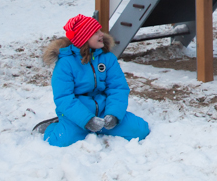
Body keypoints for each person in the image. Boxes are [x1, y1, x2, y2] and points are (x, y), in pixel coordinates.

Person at [36, 14, 151, 147]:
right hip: (78, 115)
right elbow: (64, 97)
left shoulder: (108, 58)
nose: (102, 34)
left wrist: (113, 115)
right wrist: (86, 119)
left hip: (104, 111)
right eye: (96, 32)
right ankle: (54, 126)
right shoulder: (65, 64)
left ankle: (103, 123)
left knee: (140, 129)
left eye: (100, 30)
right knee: (60, 141)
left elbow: (118, 88)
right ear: (83, 38)